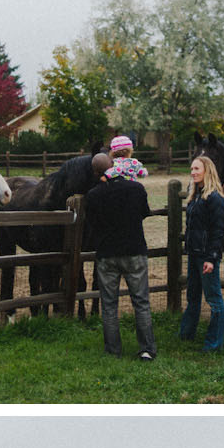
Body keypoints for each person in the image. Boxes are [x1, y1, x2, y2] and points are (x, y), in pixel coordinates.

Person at [82, 151, 157, 361]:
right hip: (134, 251)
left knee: (109, 304)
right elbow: (144, 212)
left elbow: (92, 224)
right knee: (141, 302)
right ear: (114, 166)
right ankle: (147, 349)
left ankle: (113, 350)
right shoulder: (136, 189)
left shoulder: (93, 195)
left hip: (107, 254)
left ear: (95, 172)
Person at [179, 152, 224, 352]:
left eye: (197, 168)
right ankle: (186, 334)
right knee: (192, 296)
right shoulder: (195, 196)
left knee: (213, 299)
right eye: (191, 168)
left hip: (206, 256)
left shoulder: (214, 198)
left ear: (208, 171)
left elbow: (218, 231)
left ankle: (214, 343)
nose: (193, 172)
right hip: (194, 253)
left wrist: (211, 258)